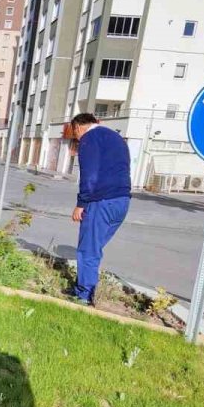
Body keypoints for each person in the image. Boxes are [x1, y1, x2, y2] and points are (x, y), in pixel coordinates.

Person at [67, 112, 131, 304]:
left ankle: (83, 296)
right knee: (95, 248)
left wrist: (81, 203)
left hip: (101, 201)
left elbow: (90, 174)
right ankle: (86, 288)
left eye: (75, 134)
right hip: (122, 200)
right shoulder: (115, 137)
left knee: (88, 250)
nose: (76, 138)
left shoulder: (89, 139)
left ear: (78, 127)